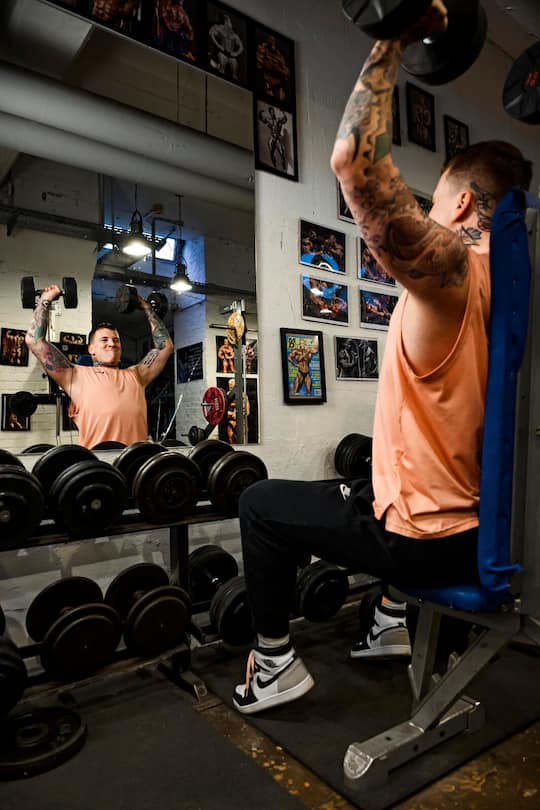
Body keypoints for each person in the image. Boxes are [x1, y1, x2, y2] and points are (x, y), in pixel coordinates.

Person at [230, 0, 533, 715]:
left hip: (429, 542)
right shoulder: (517, 290)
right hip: (478, 525)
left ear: (458, 208)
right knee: (370, 482)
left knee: (262, 503)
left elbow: (351, 162)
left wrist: (397, 28)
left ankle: (273, 664)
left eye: (436, 200)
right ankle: (391, 621)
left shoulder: (457, 277)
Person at [25, 286, 173, 449]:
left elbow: (164, 347)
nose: (112, 344)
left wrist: (147, 308)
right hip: (100, 468)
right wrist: (45, 300)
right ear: (91, 349)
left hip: (136, 465)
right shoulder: (75, 376)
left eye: (116, 340)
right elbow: (35, 341)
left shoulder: (136, 375)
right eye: (104, 340)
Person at [208, 13, 244, 81]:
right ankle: (217, 67)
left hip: (232, 56)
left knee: (235, 74)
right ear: (225, 22)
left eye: (230, 21)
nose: (229, 23)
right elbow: (211, 32)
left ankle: (217, 66)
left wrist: (236, 53)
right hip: (223, 53)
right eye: (228, 21)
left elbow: (241, 47)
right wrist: (218, 44)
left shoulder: (234, 34)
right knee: (222, 71)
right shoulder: (220, 28)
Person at [258, 106, 288, 172]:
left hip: (277, 139)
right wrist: (260, 113)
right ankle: (275, 167)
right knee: (271, 153)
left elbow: (285, 120)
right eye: (271, 112)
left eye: (273, 112)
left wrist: (283, 113)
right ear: (270, 113)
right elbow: (261, 119)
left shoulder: (278, 120)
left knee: (282, 153)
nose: (272, 113)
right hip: (272, 138)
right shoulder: (269, 121)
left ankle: (284, 169)